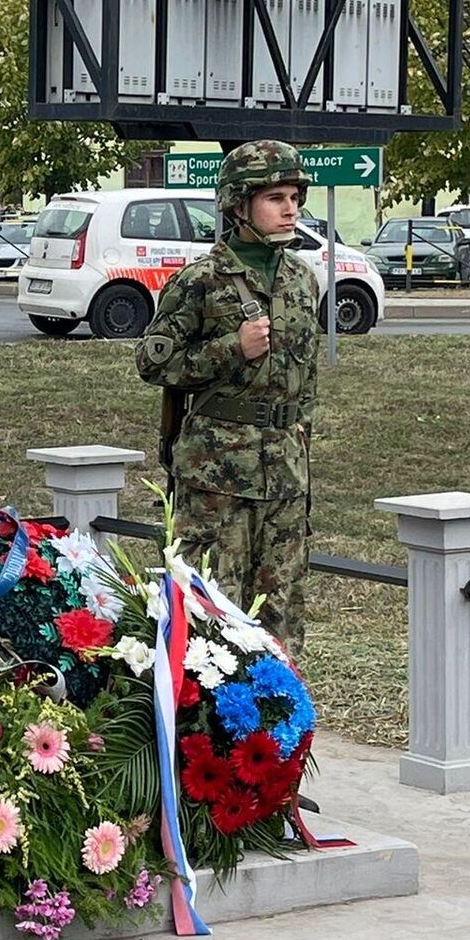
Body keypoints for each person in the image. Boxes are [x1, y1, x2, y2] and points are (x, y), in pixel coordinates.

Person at [136, 141, 320, 652]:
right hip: (219, 475)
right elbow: (152, 362)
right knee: (212, 610)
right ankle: (209, 730)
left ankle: (279, 726)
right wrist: (229, 349)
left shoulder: (302, 280)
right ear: (239, 205)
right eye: (275, 198)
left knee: (281, 612)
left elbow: (304, 383)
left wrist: (301, 440)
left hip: (285, 471)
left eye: (294, 197)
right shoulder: (201, 281)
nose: (290, 209)